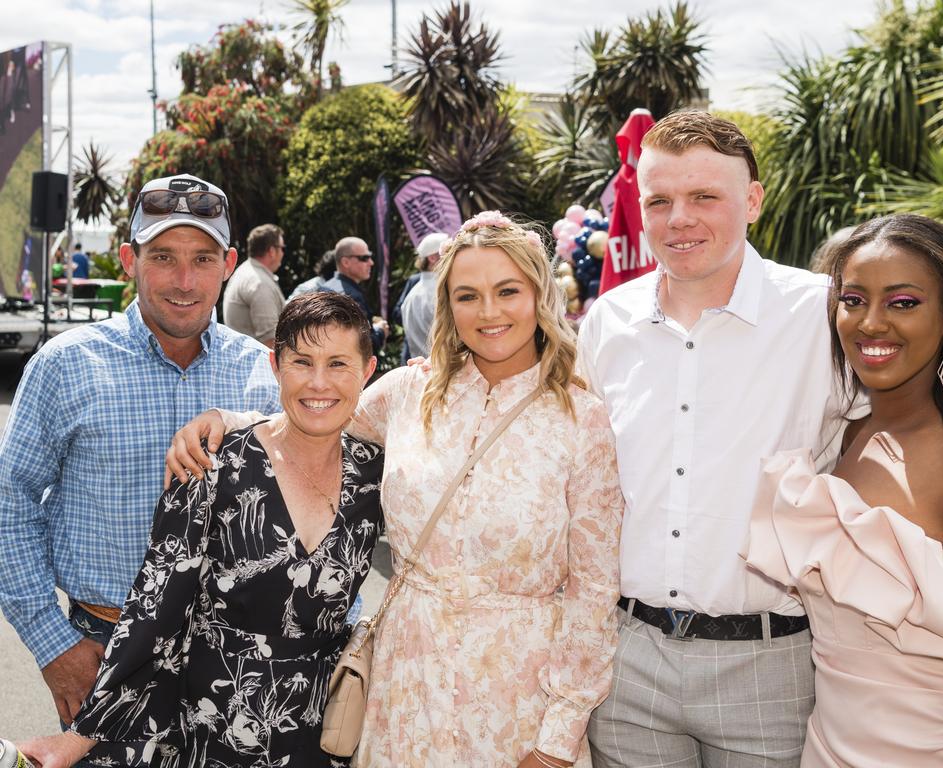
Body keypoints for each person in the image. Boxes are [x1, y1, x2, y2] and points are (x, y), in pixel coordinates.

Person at [578, 110, 943, 768]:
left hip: (773, 666)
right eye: (660, 201)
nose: (680, 220)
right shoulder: (607, 320)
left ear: (753, 199)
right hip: (629, 662)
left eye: (705, 196)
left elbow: (942, 422)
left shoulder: (828, 313)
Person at [167, 211, 624, 768]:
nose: (489, 312)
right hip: (403, 689)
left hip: (517, 703)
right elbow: (315, 415)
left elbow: (594, 596)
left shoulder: (581, 421)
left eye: (508, 291)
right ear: (447, 305)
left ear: (539, 294)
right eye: (467, 295)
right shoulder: (410, 391)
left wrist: (557, 739)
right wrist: (224, 419)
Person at [19, 292, 384, 768]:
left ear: (368, 370)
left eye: (338, 363)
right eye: (302, 361)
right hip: (210, 729)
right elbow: (154, 612)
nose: (319, 382)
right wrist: (80, 737)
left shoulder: (378, 476)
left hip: (325, 730)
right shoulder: (213, 465)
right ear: (275, 366)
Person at [0, 172, 279, 755]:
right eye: (163, 257)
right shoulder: (66, 365)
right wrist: (53, 643)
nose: (184, 280)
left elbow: (316, 512)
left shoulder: (266, 374)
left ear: (228, 263)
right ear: (129, 258)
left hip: (240, 662)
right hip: (102, 652)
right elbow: (9, 504)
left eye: (202, 258)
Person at [744, 213, 943, 765]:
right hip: (826, 749)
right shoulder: (850, 433)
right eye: (853, 300)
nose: (871, 323)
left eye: (903, 303)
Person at [223, 223, 287, 347]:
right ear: (272, 251)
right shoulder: (260, 283)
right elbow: (271, 341)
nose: (283, 253)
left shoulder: (246, 272)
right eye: (282, 248)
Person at [324, 237, 388, 354]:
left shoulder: (324, 288)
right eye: (364, 258)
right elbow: (364, 346)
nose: (371, 263)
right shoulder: (352, 297)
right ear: (346, 262)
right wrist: (380, 331)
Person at [400, 231, 446, 360]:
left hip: (425, 369)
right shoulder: (440, 291)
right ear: (432, 258)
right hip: (442, 369)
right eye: (448, 251)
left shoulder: (413, 294)